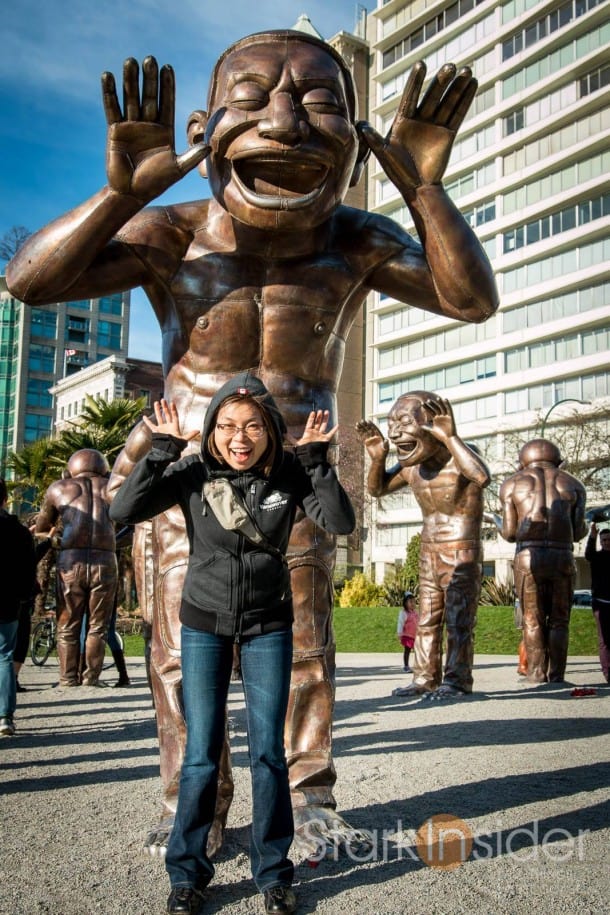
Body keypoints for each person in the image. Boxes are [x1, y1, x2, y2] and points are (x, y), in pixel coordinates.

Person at [6, 30, 498, 856]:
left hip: (297, 467)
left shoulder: (353, 240)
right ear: (203, 131)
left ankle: (308, 794)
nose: (286, 121)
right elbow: (28, 280)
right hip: (191, 474)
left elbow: (469, 298)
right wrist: (120, 195)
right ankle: (188, 794)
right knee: (174, 647)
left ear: (354, 141)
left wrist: (424, 191)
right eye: (253, 98)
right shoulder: (174, 234)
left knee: (306, 640)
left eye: (317, 101)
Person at [109, 372, 355, 915]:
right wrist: (162, 451)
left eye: (250, 427)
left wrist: (317, 462)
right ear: (213, 428)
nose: (238, 438)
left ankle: (273, 873)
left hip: (269, 624)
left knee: (268, 754)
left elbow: (340, 520)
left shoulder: (290, 472)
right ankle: (188, 874)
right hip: (204, 624)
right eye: (226, 426)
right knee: (200, 752)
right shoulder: (193, 470)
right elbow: (122, 513)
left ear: (268, 429)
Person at [357, 393, 490, 699]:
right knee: (427, 619)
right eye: (391, 424)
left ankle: (456, 681)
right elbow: (376, 490)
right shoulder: (411, 469)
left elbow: (482, 477)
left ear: (432, 425)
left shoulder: (462, 459)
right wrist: (378, 458)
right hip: (429, 551)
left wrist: (451, 436)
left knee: (459, 620)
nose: (394, 432)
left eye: (404, 422)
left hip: (462, 549)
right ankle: (424, 678)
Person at [499, 439, 587, 684]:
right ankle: (557, 675)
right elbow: (579, 531)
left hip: (528, 556)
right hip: (562, 557)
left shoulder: (511, 484)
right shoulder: (574, 484)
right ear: (558, 460)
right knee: (560, 619)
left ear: (522, 461)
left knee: (532, 618)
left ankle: (536, 674)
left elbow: (509, 533)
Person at [34, 450, 118, 687]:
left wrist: (56, 540)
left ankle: (67, 678)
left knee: (67, 624)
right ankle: (91, 678)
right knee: (98, 626)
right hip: (105, 560)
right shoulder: (113, 487)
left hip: (71, 560)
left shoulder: (59, 488)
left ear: (72, 467)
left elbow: (42, 527)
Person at [0, 478, 37, 736]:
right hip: (8, 603)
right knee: (3, 656)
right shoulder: (20, 532)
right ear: (4, 499)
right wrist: (25, 598)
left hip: (9, 600)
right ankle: (4, 716)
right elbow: (28, 569)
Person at [584, 522, 610, 684]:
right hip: (601, 604)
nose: (607, 542)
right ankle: (608, 674)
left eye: (609, 540)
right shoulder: (597, 557)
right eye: (604, 540)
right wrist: (592, 536)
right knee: (605, 640)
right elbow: (588, 554)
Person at [396, 590, 418, 672]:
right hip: (407, 635)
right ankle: (406, 666)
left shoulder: (415, 613)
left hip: (415, 635)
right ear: (405, 603)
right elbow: (400, 623)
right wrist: (399, 633)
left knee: (418, 650)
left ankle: (418, 665)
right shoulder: (404, 613)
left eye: (414, 602)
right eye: (410, 602)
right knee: (407, 650)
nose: (412, 604)